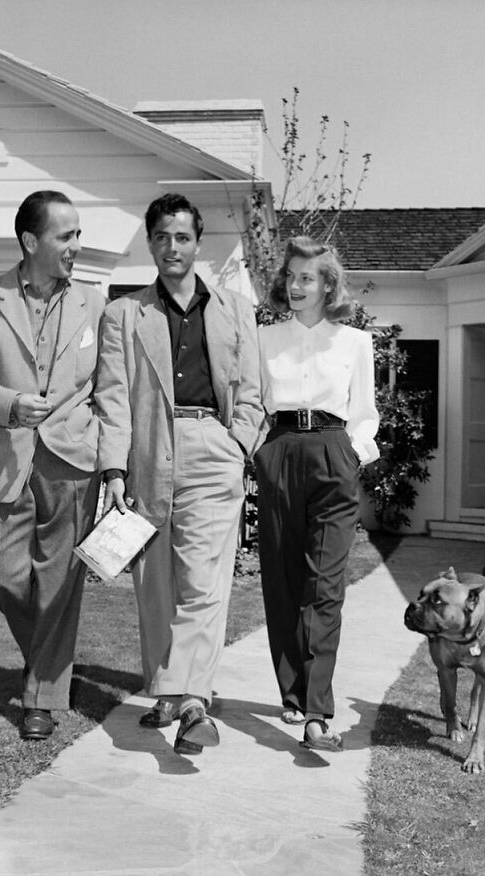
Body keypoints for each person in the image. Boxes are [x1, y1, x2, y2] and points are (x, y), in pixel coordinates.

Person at [95, 193, 263, 755]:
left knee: (204, 583)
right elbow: (113, 398)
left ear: (198, 243)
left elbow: (253, 390)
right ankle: (166, 693)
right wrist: (114, 469)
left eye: (183, 237)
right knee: (156, 583)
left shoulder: (236, 309)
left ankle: (192, 702)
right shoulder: (123, 314)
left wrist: (236, 442)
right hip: (149, 452)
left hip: (213, 446)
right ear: (150, 242)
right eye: (163, 237)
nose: (173, 247)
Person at [0, 190, 104, 741]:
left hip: (74, 458)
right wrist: (10, 404)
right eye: (66, 235)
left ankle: (42, 698)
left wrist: (113, 461)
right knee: (0, 574)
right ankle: (47, 658)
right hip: (8, 453)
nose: (76, 245)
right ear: (31, 241)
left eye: (78, 234)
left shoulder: (95, 303)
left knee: (59, 583)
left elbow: (108, 386)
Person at [254, 236, 379, 752]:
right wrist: (260, 452)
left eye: (307, 278)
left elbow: (365, 412)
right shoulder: (264, 339)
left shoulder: (355, 343)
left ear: (328, 285)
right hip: (280, 450)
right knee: (283, 579)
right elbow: (252, 403)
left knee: (324, 586)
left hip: (333, 451)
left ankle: (317, 710)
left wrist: (352, 453)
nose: (296, 286)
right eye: (291, 276)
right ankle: (292, 690)